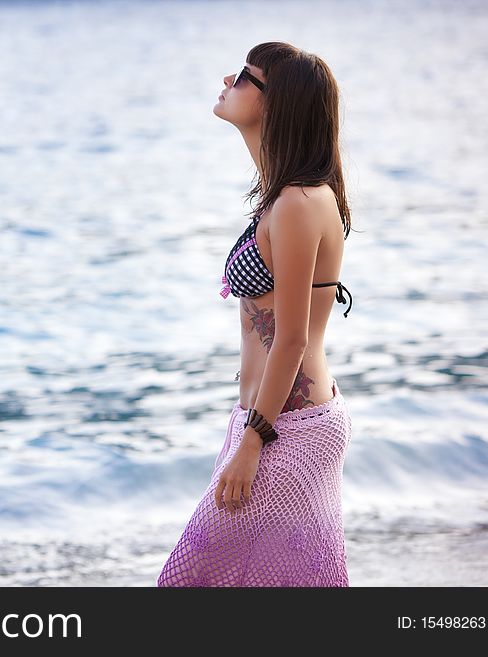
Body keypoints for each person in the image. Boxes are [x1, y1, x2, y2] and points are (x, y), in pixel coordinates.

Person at [156, 42, 355, 587]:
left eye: (245, 76)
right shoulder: (283, 197)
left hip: (283, 428)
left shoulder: (297, 203)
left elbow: (290, 338)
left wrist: (252, 442)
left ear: (277, 104)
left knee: (186, 585)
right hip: (273, 422)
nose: (228, 78)